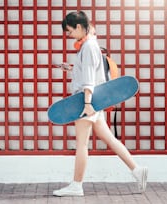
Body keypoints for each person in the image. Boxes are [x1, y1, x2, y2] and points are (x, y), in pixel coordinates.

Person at [53, 11, 148, 197]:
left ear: (79, 27)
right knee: (110, 139)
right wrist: (72, 69)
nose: (69, 35)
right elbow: (91, 72)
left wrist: (87, 103)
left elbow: (89, 79)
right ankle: (137, 170)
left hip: (86, 101)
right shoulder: (91, 44)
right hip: (95, 101)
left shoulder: (88, 47)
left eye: (70, 31)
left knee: (81, 144)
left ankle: (76, 185)